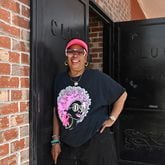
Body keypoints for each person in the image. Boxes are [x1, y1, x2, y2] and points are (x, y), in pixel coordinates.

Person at [51, 38, 127, 165]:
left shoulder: (97, 77)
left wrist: (112, 118)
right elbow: (56, 110)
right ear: (66, 56)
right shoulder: (59, 80)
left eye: (80, 52)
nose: (75, 55)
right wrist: (55, 140)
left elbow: (122, 94)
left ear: (86, 58)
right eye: (71, 51)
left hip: (96, 143)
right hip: (68, 144)